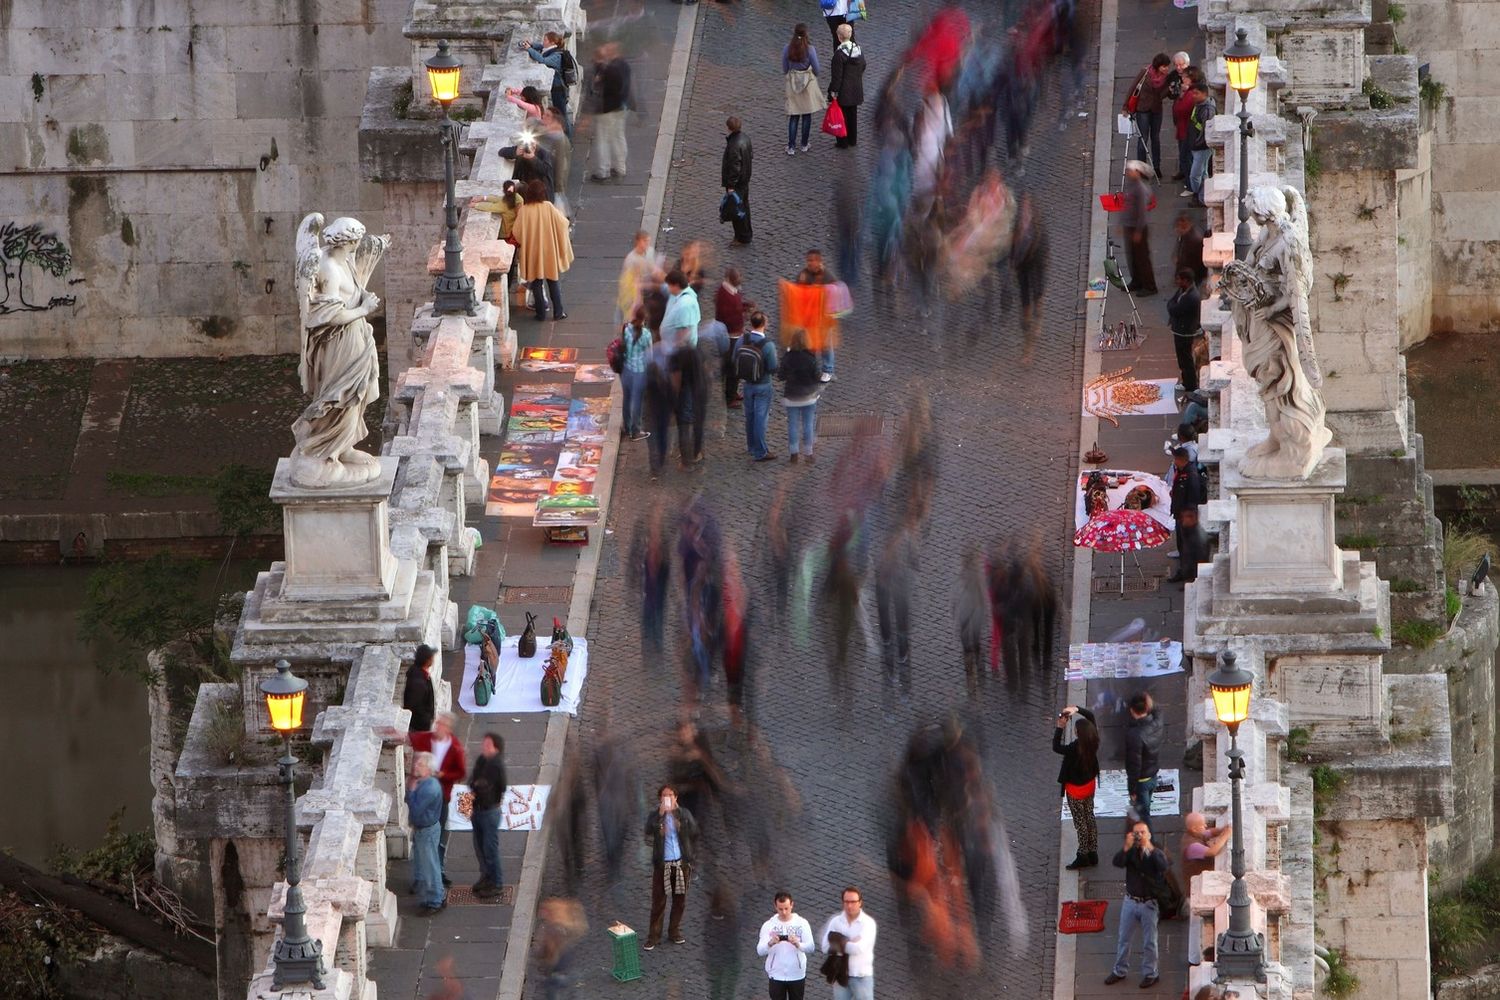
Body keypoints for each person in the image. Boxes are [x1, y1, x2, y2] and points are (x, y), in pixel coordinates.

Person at [1106, 821, 1168, 988]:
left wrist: (1149, 848)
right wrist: (1126, 847)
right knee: (1124, 938)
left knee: (1150, 941)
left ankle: (1151, 973)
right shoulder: (1131, 852)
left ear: (1149, 835)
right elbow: (1117, 862)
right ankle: (1120, 970)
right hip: (1131, 901)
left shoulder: (1156, 851)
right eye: (1136, 833)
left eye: (1142, 832)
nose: (1139, 836)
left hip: (1149, 903)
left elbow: (1163, 866)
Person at [410, 711, 467, 878]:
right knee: (421, 835)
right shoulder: (428, 738)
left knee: (439, 836)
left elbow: (461, 772)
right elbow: (412, 738)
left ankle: (438, 871)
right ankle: (421, 875)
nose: (437, 726)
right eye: (437, 723)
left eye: (441, 724)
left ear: (448, 728)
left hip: (442, 797)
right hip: (425, 794)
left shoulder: (455, 747)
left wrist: (444, 775)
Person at [643, 784, 699, 950]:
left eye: (670, 796)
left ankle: (674, 931)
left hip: (681, 864)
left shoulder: (684, 814)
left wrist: (680, 826)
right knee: (658, 902)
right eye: (664, 796)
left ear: (676, 798)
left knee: (679, 901)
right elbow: (647, 832)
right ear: (660, 798)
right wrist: (659, 821)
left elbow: (694, 831)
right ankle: (654, 936)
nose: (667, 798)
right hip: (662, 865)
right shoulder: (655, 815)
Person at [511, 179, 574, 321]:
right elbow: (563, 223)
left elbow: (517, 232)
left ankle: (540, 313)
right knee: (553, 282)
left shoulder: (524, 210)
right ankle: (558, 312)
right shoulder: (548, 207)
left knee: (536, 283)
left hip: (533, 253)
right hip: (549, 251)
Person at [1181, 813, 1232, 966]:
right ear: (1194, 829)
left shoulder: (1194, 834)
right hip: (1194, 891)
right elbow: (1212, 851)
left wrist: (1221, 830)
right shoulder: (1191, 845)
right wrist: (1226, 835)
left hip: (1197, 887)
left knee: (1196, 924)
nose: (1205, 826)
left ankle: (1194, 957)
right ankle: (1194, 959)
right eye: (1202, 825)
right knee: (1196, 926)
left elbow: (1209, 832)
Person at [1055, 704, 1101, 870]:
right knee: (1090, 817)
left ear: (1078, 733)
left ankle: (1083, 855)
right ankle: (1093, 851)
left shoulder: (1074, 749)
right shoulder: (1093, 740)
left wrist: (1060, 727)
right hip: (1089, 786)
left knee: (1080, 823)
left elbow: (1056, 747)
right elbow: (1091, 717)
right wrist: (1077, 709)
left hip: (1075, 791)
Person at [468, 732, 508, 899]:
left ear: (496, 748)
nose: (483, 747)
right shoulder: (482, 760)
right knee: (480, 847)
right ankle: (486, 877)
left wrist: (479, 785)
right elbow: (473, 781)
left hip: (489, 811)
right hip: (478, 809)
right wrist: (478, 784)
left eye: (487, 745)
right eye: (483, 744)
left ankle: (496, 883)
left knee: (490, 848)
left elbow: (500, 786)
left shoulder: (496, 765)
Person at [406, 752, 445, 916]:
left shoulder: (429, 788)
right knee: (428, 864)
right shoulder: (427, 783)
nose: (416, 766)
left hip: (426, 831)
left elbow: (415, 810)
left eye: (420, 764)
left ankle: (435, 901)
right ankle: (432, 896)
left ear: (429, 769)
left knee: (431, 867)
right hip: (427, 829)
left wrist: (411, 791)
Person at [820, 886, 877, 1000]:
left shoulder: (868, 923)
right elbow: (825, 947)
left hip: (862, 977)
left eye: (853, 902)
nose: (849, 905)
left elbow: (858, 948)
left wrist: (837, 940)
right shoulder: (836, 922)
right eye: (846, 902)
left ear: (860, 903)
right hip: (840, 975)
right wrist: (848, 941)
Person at [737, 310, 779, 462]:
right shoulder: (768, 345)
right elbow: (773, 367)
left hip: (747, 384)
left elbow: (735, 357)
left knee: (750, 416)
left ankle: (751, 446)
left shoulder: (742, 339)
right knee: (760, 419)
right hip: (763, 385)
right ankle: (760, 451)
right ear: (764, 324)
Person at [758, 891, 816, 1000]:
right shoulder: (768, 925)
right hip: (776, 975)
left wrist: (798, 944)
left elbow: (811, 947)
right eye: (780, 909)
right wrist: (770, 943)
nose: (784, 912)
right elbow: (760, 950)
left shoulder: (802, 923)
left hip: (797, 974)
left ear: (792, 905)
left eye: (786, 908)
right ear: (775, 906)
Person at [1123, 53, 1171, 178]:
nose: (1166, 69)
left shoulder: (1167, 78)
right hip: (1143, 109)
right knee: (1143, 139)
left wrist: (1171, 90)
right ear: (1158, 66)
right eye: (1164, 66)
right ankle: (1141, 168)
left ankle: (1156, 166)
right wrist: (1125, 106)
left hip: (1156, 109)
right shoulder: (1145, 72)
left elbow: (1165, 95)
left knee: (1156, 138)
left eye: (1167, 66)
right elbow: (1133, 88)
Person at [795, 249, 839, 380]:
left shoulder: (828, 276)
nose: (809, 263)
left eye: (812, 260)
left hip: (824, 317)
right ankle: (812, 367)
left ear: (819, 261)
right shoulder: (803, 274)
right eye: (808, 260)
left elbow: (835, 294)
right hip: (810, 316)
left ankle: (828, 369)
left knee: (826, 344)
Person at [1122, 693, 1164, 826]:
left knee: (1144, 816)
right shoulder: (1157, 723)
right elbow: (1158, 709)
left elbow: (1134, 765)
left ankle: (1149, 837)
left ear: (1132, 710)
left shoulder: (1134, 735)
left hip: (1141, 782)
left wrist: (1132, 789)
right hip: (1153, 774)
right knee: (1146, 808)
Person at [783, 24, 826, 155]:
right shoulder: (810, 49)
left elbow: (785, 68)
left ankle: (791, 146)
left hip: (793, 83)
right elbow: (817, 69)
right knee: (807, 114)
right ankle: (804, 144)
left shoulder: (787, 48)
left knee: (794, 115)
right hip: (807, 85)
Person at [591, 42, 631, 180]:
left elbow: (599, 88)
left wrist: (599, 75)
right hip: (622, 107)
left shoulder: (608, 69)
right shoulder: (624, 65)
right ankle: (620, 168)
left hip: (607, 110)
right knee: (619, 137)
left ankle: (603, 171)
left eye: (607, 49)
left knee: (603, 140)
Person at [780, 327, 821, 462]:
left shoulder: (788, 357)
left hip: (791, 396)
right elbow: (817, 376)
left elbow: (781, 376)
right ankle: (808, 453)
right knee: (808, 424)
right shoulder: (810, 358)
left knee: (793, 424)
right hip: (808, 396)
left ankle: (794, 453)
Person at [525, 32, 574, 136]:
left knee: (561, 115)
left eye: (545, 40)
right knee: (560, 113)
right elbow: (540, 46)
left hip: (559, 89)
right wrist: (531, 44)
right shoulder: (552, 49)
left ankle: (568, 138)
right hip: (556, 88)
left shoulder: (556, 56)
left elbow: (543, 60)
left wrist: (529, 49)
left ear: (552, 42)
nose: (543, 42)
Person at [1169, 447, 1204, 583]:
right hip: (1180, 514)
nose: (1174, 461)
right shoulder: (1182, 471)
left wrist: (1189, 515)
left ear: (1181, 459)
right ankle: (1183, 571)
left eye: (1176, 459)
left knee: (1188, 547)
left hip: (1187, 516)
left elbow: (1193, 496)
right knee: (1182, 546)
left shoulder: (1190, 474)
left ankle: (1190, 576)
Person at [1122, 160, 1157, 295]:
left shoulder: (1141, 188)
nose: (1128, 173)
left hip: (1138, 227)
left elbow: (1142, 212)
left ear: (1137, 172)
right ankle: (1136, 280)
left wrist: (1138, 230)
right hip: (1130, 225)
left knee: (1142, 258)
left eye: (1130, 171)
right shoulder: (1131, 185)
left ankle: (1149, 286)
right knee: (1133, 257)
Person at [829, 24, 866, 148]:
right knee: (852, 114)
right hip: (855, 89)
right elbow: (863, 66)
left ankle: (843, 142)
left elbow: (837, 76)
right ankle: (852, 139)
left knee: (842, 116)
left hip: (843, 91)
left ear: (839, 37)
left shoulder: (839, 54)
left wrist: (833, 91)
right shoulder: (858, 50)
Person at [716, 267, 747, 408]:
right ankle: (729, 397)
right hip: (730, 336)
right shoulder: (726, 295)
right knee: (732, 367)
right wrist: (741, 313)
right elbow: (729, 317)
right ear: (729, 279)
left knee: (734, 366)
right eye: (736, 277)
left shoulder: (732, 291)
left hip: (735, 334)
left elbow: (736, 308)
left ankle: (732, 392)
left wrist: (743, 307)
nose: (739, 279)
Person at [1168, 268, 1204, 392]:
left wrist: (1172, 307)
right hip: (1179, 330)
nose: (1177, 281)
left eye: (1179, 279)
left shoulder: (1191, 297)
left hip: (1184, 332)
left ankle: (1191, 385)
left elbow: (1174, 310)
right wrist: (1172, 306)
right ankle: (1187, 382)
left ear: (1186, 280)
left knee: (1185, 359)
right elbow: (1171, 303)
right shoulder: (1183, 291)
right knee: (1182, 359)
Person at [620, 305, 652, 441]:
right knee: (637, 402)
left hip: (626, 370)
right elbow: (649, 356)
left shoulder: (626, 329)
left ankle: (627, 427)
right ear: (645, 319)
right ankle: (636, 431)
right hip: (639, 372)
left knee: (627, 399)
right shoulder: (646, 335)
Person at [723, 116, 754, 244]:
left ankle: (742, 236)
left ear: (729, 128)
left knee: (737, 210)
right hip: (744, 180)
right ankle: (746, 234)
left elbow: (735, 167)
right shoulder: (745, 138)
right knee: (744, 207)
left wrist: (731, 185)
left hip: (737, 183)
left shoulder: (734, 144)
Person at [1188, 81, 1216, 205]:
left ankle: (1198, 195)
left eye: (1196, 93)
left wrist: (1198, 143)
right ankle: (1202, 197)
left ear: (1204, 94)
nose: (1193, 96)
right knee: (1203, 173)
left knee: (1194, 175)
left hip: (1202, 147)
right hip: (1196, 145)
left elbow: (1207, 130)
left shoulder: (1207, 110)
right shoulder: (1198, 105)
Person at [403, 643, 436, 733]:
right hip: (420, 726)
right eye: (432, 657)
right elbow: (414, 705)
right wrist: (427, 718)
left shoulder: (418, 672)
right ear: (428, 661)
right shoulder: (418, 684)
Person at [1173, 214, 1207, 287]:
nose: (1176, 229)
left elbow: (1189, 262)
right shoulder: (1185, 237)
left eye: (1178, 226)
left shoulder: (1192, 240)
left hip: (1193, 276)